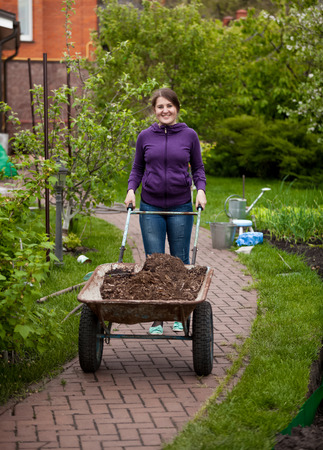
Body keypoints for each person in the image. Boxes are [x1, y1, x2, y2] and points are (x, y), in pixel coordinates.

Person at [124, 88, 207, 335]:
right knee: (155, 262)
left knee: (180, 261)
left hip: (181, 205)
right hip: (150, 205)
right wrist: (131, 190)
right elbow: (137, 168)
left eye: (169, 106)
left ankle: (180, 313)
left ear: (177, 108)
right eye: (160, 107)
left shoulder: (189, 135)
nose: (165, 110)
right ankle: (159, 317)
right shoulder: (144, 136)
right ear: (154, 110)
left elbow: (198, 169)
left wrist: (200, 190)